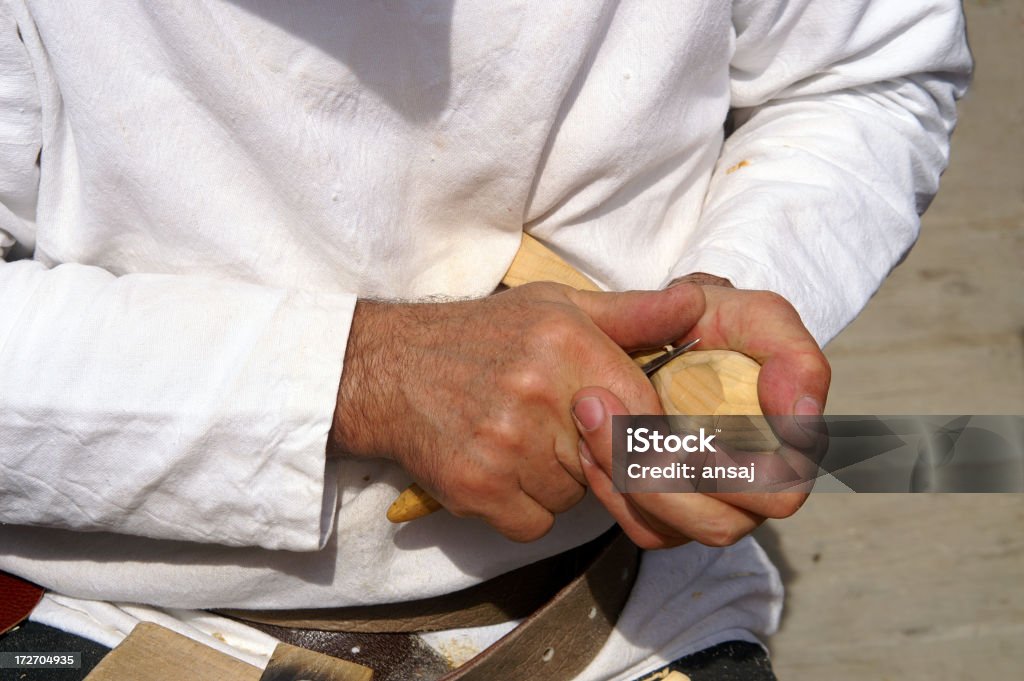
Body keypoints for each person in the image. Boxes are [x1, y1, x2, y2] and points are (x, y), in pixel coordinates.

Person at [0, 1, 971, 679]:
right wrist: (355, 377)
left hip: (628, 605)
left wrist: (726, 298)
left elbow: (864, 69)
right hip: (131, 614)